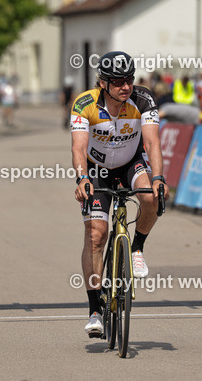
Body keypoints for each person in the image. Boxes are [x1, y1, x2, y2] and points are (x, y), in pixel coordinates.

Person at [72, 50, 167, 338]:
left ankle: (136, 247)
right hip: (96, 170)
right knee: (96, 235)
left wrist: (159, 178)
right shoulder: (85, 103)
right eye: (118, 81)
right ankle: (95, 311)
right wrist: (81, 178)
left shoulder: (143, 99)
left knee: (150, 197)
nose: (126, 86)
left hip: (130, 163)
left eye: (129, 79)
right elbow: (78, 148)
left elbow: (152, 143)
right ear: (103, 83)